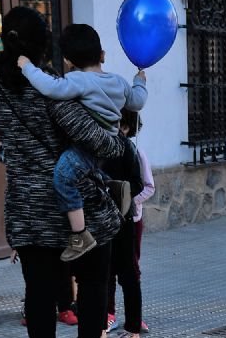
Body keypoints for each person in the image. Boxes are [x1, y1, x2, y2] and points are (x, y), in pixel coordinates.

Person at [0, 6, 128, 338]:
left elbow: (11, 145)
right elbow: (97, 140)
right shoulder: (53, 89)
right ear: (44, 47)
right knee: (95, 281)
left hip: (28, 207)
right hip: (76, 204)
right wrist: (117, 141)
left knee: (39, 290)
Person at [18, 23, 147, 262]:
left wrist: (28, 68)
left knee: (63, 177)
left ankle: (80, 235)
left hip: (87, 146)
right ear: (103, 55)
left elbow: (50, 88)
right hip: (108, 142)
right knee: (86, 173)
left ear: (67, 61)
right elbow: (138, 102)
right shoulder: (119, 82)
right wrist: (139, 80)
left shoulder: (78, 80)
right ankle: (110, 192)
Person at [100, 110, 146, 338]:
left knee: (128, 276)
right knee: (100, 275)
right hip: (97, 221)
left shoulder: (126, 147)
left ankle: (132, 330)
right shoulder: (92, 142)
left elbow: (139, 184)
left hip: (122, 221)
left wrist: (114, 188)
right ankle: (99, 328)